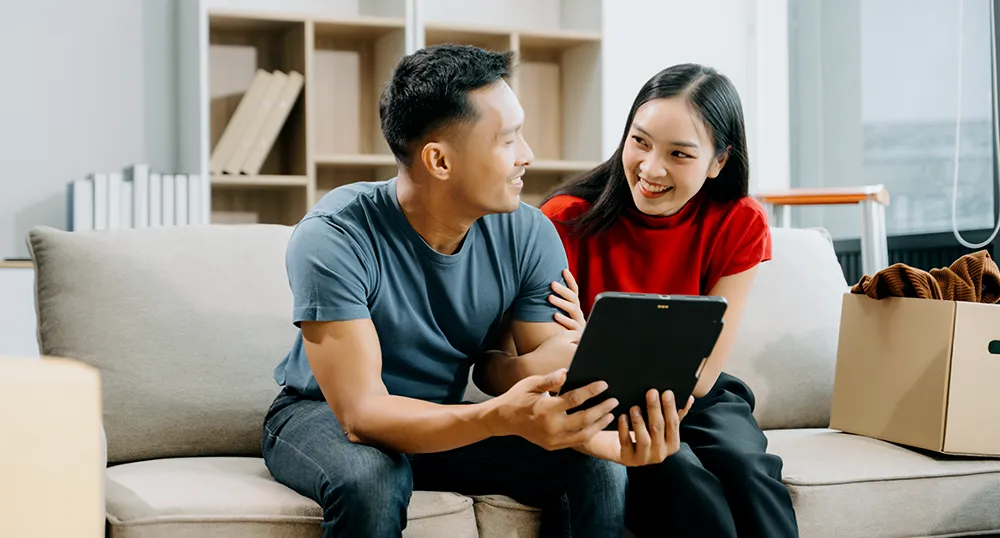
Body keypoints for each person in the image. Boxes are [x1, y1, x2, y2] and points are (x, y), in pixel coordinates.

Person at [262, 44, 692, 538]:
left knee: (597, 469)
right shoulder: (335, 234)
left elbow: (542, 367)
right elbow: (363, 415)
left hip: (444, 418)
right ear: (439, 161)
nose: (527, 155)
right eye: (508, 140)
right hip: (321, 416)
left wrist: (603, 401)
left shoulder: (528, 233)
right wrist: (499, 417)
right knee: (372, 477)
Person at [540, 63, 800, 538]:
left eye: (679, 154)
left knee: (749, 470)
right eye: (639, 142)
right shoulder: (565, 219)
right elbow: (551, 361)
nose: (650, 169)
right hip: (604, 397)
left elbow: (701, 378)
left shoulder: (740, 220)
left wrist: (591, 337)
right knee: (682, 477)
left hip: (699, 396)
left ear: (719, 161)